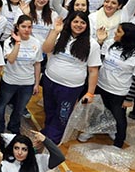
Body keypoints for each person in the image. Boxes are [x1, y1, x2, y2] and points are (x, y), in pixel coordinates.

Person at [78, 23, 135, 148]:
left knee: (119, 118)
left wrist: (129, 99)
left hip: (119, 92)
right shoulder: (110, 43)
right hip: (101, 86)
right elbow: (98, 60)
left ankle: (118, 142)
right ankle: (92, 129)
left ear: (128, 36)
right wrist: (100, 42)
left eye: (119, 31)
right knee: (96, 111)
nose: (115, 33)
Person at [41, 11, 101, 144]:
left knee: (62, 115)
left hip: (70, 87)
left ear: (87, 25)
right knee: (49, 109)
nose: (78, 25)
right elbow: (45, 49)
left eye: (82, 22)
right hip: (50, 80)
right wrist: (55, 31)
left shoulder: (92, 44)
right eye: (75, 21)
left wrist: (90, 92)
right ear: (70, 22)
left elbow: (93, 70)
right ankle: (47, 133)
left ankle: (52, 141)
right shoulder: (59, 35)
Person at [0, 16, 43, 134]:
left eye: (29, 27)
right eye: (23, 26)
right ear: (17, 27)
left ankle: (14, 127)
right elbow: (11, 59)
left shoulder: (36, 42)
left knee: (20, 108)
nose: (27, 29)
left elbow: (37, 64)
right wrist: (18, 43)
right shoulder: (9, 42)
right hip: (10, 81)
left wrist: (36, 83)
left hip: (27, 83)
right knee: (1, 105)